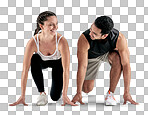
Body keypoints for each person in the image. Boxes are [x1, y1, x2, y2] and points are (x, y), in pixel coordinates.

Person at [9, 11, 77, 106]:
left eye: (56, 24)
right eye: (51, 25)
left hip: (57, 64)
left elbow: (66, 70)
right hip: (41, 62)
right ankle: (42, 93)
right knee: (34, 58)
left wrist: (65, 94)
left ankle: (59, 93)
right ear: (41, 26)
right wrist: (22, 95)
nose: (55, 27)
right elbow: (25, 70)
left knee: (55, 97)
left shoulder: (62, 41)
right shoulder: (33, 42)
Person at [72, 16, 139, 105]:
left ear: (104, 35)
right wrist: (78, 92)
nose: (90, 33)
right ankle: (83, 90)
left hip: (107, 53)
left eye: (94, 33)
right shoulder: (84, 39)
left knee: (118, 58)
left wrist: (127, 92)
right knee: (87, 89)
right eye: (91, 29)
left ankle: (110, 94)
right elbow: (82, 66)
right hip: (92, 57)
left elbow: (126, 65)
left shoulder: (119, 38)